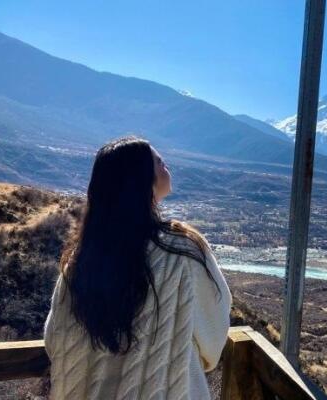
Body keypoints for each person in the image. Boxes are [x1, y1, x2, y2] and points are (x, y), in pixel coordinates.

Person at [44, 136, 232, 399]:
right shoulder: (183, 251)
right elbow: (213, 336)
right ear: (141, 180)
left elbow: (54, 338)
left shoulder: (81, 258)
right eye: (159, 162)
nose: (166, 166)